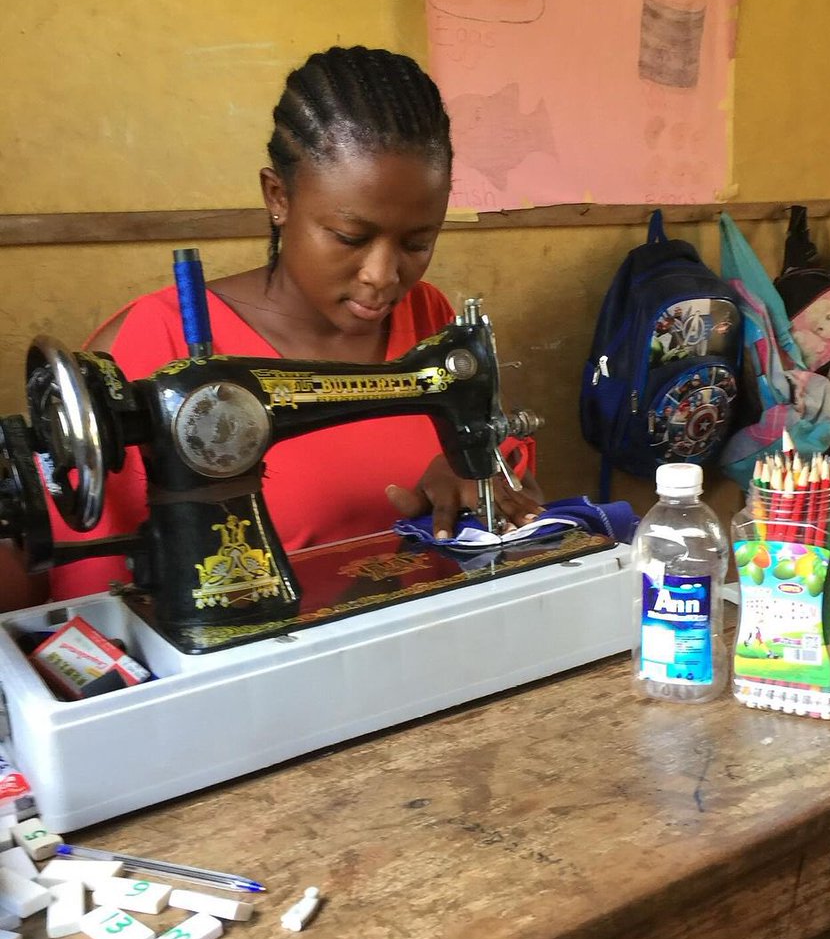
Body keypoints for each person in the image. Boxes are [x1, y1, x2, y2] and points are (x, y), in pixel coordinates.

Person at [0, 45, 543, 612]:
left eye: (417, 243)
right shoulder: (149, 347)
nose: (384, 277)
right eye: (351, 238)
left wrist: (485, 483)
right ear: (277, 196)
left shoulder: (432, 322)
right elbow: (96, 600)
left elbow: (511, 479)